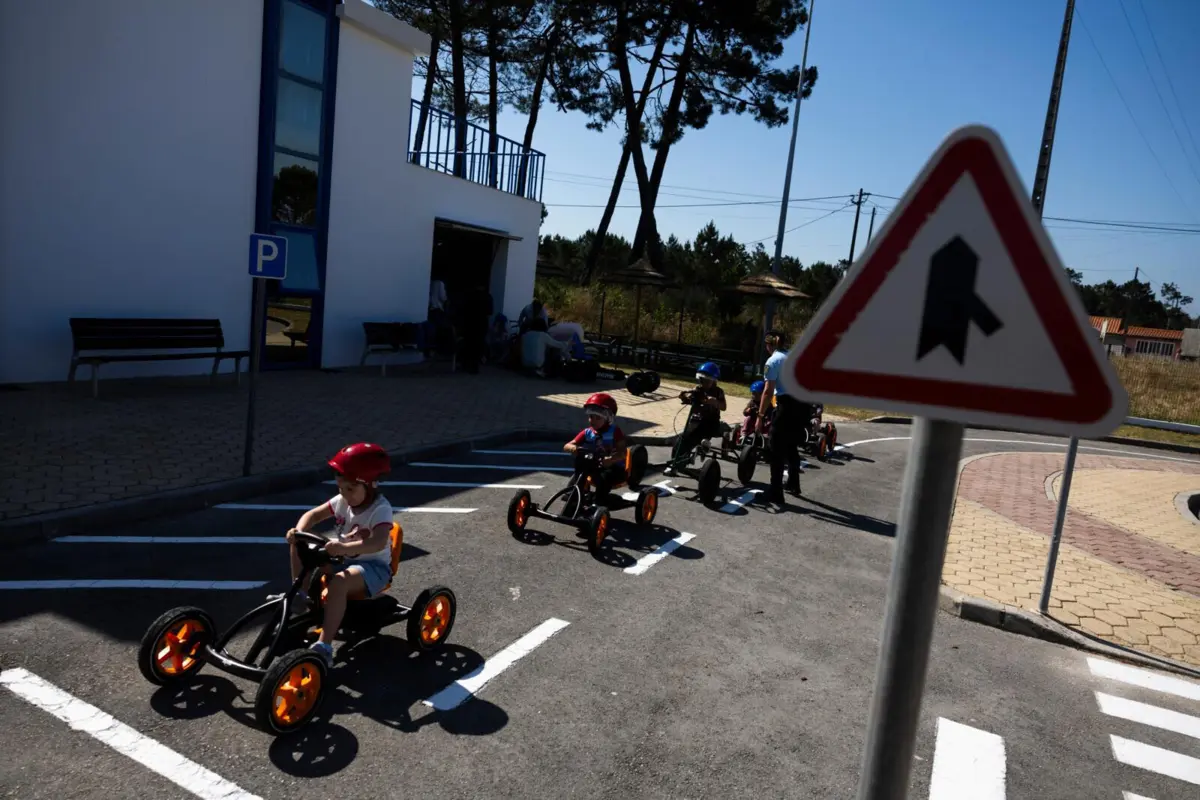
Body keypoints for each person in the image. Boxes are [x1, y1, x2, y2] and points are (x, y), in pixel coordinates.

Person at [281, 442, 395, 666]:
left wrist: (343, 548)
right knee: (300, 544)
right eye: (341, 488)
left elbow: (378, 541)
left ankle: (324, 647)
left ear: (369, 485)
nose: (344, 494)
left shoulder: (381, 509)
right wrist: (299, 531)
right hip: (343, 559)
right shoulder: (343, 500)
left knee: (338, 584)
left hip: (373, 568)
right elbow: (313, 515)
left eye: (350, 489)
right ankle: (300, 596)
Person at [755, 330, 804, 504]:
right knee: (790, 444)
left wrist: (760, 416)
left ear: (769, 345)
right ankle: (793, 483)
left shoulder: (773, 361)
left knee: (776, 448)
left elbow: (768, 392)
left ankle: (775, 492)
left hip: (786, 405)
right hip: (802, 405)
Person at [563, 393, 627, 495]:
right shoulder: (588, 432)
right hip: (594, 464)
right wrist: (575, 448)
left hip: (613, 468)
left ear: (608, 418)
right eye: (591, 417)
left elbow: (623, 452)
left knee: (604, 477)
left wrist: (611, 459)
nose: (593, 421)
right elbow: (567, 445)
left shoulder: (614, 431)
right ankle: (574, 495)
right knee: (580, 469)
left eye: (598, 418)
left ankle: (600, 500)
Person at [668, 361, 727, 473]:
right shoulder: (698, 389)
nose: (703, 382)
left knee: (704, 436)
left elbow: (724, 407)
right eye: (702, 380)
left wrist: (714, 402)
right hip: (696, 421)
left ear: (713, 380)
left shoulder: (718, 392)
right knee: (682, 439)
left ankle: (703, 446)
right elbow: (690, 398)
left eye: (706, 380)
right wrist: (685, 397)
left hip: (711, 422)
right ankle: (677, 462)